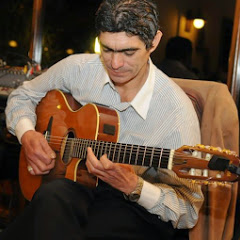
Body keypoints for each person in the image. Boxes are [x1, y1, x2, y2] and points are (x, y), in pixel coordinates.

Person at [1, 0, 203, 239]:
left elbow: (188, 209)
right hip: (82, 187)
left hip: (137, 208)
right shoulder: (79, 68)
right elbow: (23, 94)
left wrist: (134, 186)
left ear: (154, 42)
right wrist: (27, 134)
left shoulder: (176, 112)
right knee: (50, 195)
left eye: (129, 52)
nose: (115, 64)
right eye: (106, 49)